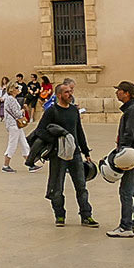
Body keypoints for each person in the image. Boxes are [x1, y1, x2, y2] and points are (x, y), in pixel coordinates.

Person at [34, 81, 97, 227]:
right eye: (67, 92)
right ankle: (60, 215)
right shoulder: (52, 111)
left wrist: (86, 151)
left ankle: (86, 216)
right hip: (58, 155)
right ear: (59, 95)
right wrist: (56, 141)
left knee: (81, 186)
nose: (70, 94)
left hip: (75, 154)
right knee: (57, 187)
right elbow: (40, 131)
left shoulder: (74, 111)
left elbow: (79, 131)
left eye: (70, 91)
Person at [108, 81, 134, 238]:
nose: (117, 93)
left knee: (126, 190)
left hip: (131, 155)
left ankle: (126, 226)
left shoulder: (131, 111)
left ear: (127, 93)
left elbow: (129, 133)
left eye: (119, 90)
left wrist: (121, 152)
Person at [1, 83, 34, 173]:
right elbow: (17, 113)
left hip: (15, 124)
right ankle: (5, 165)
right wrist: (23, 110)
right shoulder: (11, 99)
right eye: (16, 88)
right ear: (12, 90)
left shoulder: (11, 99)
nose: (18, 89)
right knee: (13, 144)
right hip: (13, 125)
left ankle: (30, 164)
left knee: (24, 143)